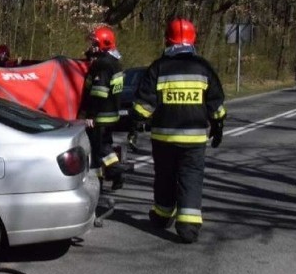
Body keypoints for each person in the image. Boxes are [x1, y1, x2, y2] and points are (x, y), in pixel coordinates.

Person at [132, 17, 226, 244]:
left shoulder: (158, 67)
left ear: (168, 40)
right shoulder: (203, 68)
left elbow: (143, 105)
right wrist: (218, 125)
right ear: (193, 40)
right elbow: (216, 103)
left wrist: (136, 122)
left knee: (164, 177)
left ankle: (163, 216)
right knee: (191, 178)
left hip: (163, 138)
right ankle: (188, 227)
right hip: (194, 139)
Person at [79, 26, 126, 188]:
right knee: (104, 146)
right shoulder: (114, 63)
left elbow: (99, 92)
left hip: (100, 114)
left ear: (103, 43)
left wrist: (91, 115)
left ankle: (107, 175)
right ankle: (114, 173)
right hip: (111, 113)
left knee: (97, 149)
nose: (92, 45)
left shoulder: (103, 65)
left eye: (95, 42)